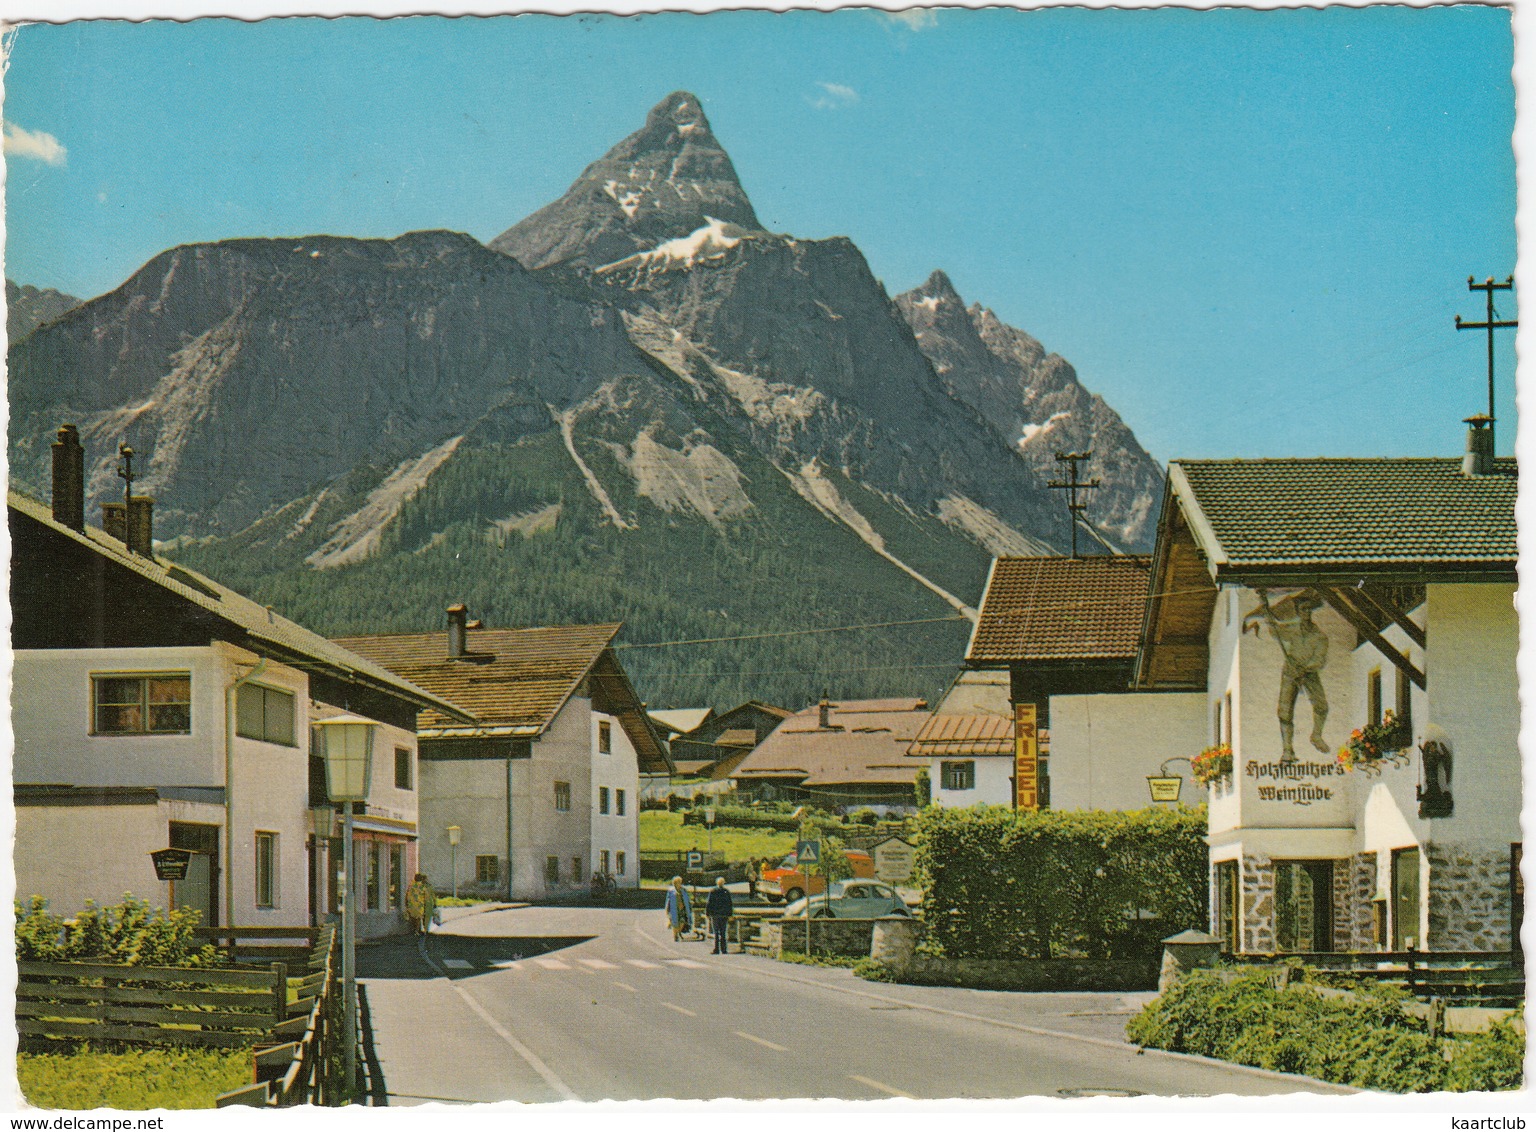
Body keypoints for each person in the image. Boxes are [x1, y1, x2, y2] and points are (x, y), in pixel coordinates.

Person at [1245, 589, 1330, 762]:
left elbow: (1320, 660)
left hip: (1309, 674)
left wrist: (1305, 668)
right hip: (1290, 673)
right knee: (1285, 712)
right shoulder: (1292, 630)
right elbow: (1277, 633)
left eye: (1308, 609)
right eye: (1302, 609)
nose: (1305, 612)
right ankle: (1288, 750)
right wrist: (1268, 618)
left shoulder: (1319, 636)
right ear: (1298, 612)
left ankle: (1316, 735)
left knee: (1322, 706)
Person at [706, 876, 735, 954]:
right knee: (723, 933)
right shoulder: (726, 891)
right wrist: (730, 914)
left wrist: (708, 913)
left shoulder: (713, 891)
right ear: (723, 883)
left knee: (716, 933)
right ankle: (724, 949)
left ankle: (716, 949)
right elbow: (729, 904)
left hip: (715, 915)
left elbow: (709, 903)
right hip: (724, 915)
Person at [665, 876, 692, 942]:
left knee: (682, 921)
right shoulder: (671, 891)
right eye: (678, 882)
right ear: (674, 883)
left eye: (680, 882)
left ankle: (678, 932)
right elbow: (668, 901)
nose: (679, 883)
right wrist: (667, 910)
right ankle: (675, 935)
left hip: (682, 909)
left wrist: (689, 906)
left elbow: (687, 899)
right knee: (674, 923)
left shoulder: (683, 890)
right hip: (674, 909)